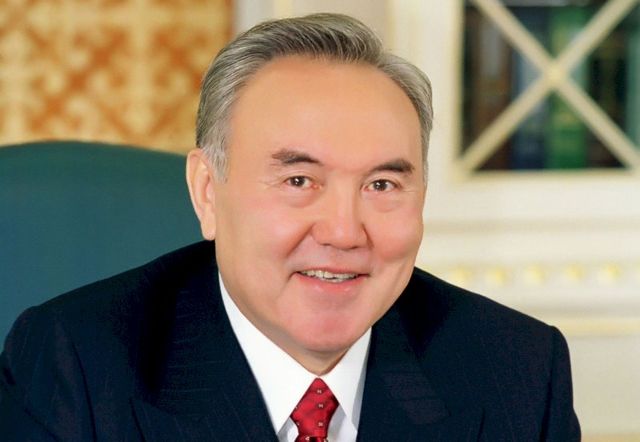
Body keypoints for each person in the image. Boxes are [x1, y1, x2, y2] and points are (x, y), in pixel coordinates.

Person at [0, 13, 579, 441]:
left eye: (382, 185)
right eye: (300, 180)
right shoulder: (78, 365)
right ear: (208, 191)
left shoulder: (518, 370)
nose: (344, 232)